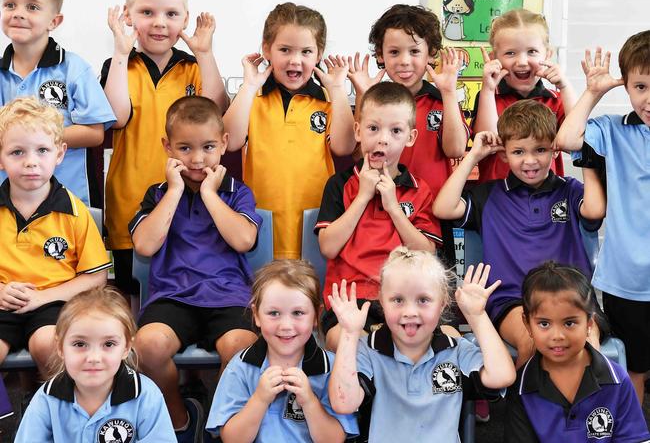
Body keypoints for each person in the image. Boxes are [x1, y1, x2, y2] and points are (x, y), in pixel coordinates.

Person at [434, 99, 607, 368]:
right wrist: (474, 156)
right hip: (513, 301)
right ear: (504, 154)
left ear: (554, 150)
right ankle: (526, 408)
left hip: (572, 294)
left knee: (585, 342)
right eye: (518, 152)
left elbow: (595, 210)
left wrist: (580, 152)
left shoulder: (569, 190)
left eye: (540, 150)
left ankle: (589, 406)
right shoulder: (489, 195)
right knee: (533, 340)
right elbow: (443, 208)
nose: (530, 160)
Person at [130, 95, 260, 442]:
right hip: (173, 297)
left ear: (224, 145)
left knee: (242, 347)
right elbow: (144, 246)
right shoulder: (158, 194)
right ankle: (181, 420)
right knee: (147, 346)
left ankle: (221, 423)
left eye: (208, 147)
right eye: (185, 148)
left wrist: (210, 195)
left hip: (228, 296)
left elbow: (244, 240)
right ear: (167, 148)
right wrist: (174, 191)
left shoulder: (236, 192)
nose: (198, 159)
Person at [102, 0, 229, 298]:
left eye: (171, 13)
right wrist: (119, 52)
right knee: (131, 290)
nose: (159, 22)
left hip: (185, 201)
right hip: (128, 197)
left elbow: (217, 110)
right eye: (147, 12)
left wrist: (204, 53)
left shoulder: (193, 67)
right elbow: (116, 117)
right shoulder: (118, 65)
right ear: (128, 16)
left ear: (185, 19)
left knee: (178, 286)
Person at [328, 247, 515, 443]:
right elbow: (344, 404)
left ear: (442, 303)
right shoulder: (365, 350)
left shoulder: (457, 350)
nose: (410, 311)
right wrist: (349, 334)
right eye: (398, 300)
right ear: (382, 301)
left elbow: (502, 376)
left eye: (423, 300)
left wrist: (476, 316)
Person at [555, 37, 650, 403]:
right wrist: (592, 93)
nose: (647, 99)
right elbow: (566, 138)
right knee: (634, 367)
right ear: (625, 85)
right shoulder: (612, 129)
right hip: (625, 278)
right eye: (639, 87)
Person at [223, 2, 356, 259]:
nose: (295, 60)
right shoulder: (253, 96)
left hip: (313, 222)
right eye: (285, 50)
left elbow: (344, 147)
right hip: (261, 221)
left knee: (308, 296)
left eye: (306, 51)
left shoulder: (328, 99)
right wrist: (249, 86)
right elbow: (229, 141)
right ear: (266, 49)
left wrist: (338, 90)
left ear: (319, 54)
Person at [316, 81, 442, 351]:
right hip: (349, 298)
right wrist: (362, 197)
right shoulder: (340, 185)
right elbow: (328, 247)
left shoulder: (419, 190)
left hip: (402, 298)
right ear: (359, 131)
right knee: (348, 342)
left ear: (410, 137)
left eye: (396, 131)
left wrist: (394, 207)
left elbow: (426, 254)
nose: (383, 139)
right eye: (373, 129)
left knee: (446, 339)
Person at [346, 4, 469, 265]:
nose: (404, 61)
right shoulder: (374, 102)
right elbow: (359, 153)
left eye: (414, 51)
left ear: (431, 54)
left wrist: (448, 92)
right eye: (394, 52)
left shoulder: (441, 99)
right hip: (380, 211)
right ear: (380, 55)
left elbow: (456, 149)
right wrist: (363, 97)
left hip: (432, 215)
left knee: (432, 291)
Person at [0, 97, 110, 376]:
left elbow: (95, 277)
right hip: (3, 300)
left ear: (59, 154)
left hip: (55, 303)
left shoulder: (75, 211)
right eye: (17, 153)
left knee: (47, 345)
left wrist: (42, 297)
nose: (31, 163)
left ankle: (53, 412)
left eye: (42, 150)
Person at [206, 259, 358, 442]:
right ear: (256, 315)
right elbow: (232, 439)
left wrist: (309, 401)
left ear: (316, 316)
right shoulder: (239, 367)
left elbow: (334, 440)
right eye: (274, 313)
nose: (286, 326)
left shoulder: (333, 369)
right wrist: (260, 399)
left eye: (298, 313)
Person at [0, 0, 115, 206]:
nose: (18, 13)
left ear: (54, 21)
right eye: (10, 5)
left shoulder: (74, 68)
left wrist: (33, 139)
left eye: (32, 7)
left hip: (69, 199)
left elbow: (95, 133)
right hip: (8, 200)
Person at [505, 262, 650, 442]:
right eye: (544, 323)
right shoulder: (521, 387)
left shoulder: (617, 380)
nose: (557, 336)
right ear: (527, 324)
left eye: (569, 323)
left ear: (590, 323)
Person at [14, 286, 176, 442]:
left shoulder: (146, 395)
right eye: (79, 344)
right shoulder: (47, 397)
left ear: (126, 347)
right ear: (60, 347)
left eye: (108, 344)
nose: (94, 357)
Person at [473, 8, 576, 182]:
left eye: (532, 52)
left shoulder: (555, 100)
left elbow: (577, 139)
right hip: (497, 200)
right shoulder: (489, 98)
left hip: (546, 199)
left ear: (548, 54)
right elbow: (488, 141)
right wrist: (488, 89)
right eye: (510, 53)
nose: (522, 62)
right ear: (494, 58)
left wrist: (565, 87)